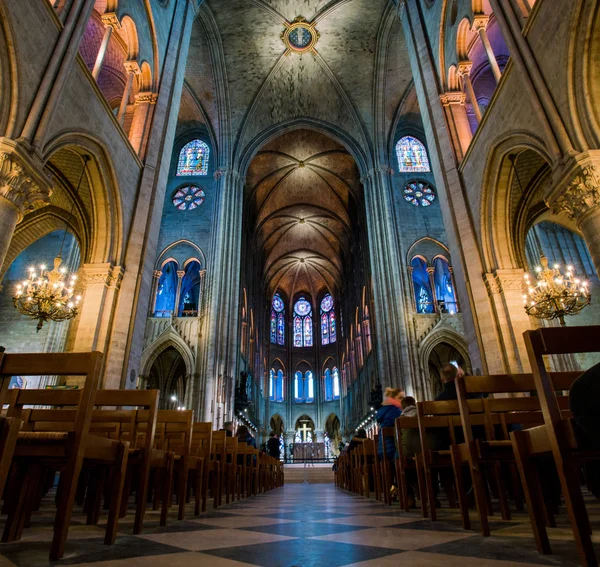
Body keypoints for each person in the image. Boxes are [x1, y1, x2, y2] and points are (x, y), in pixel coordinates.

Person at [376, 387, 404, 460]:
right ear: (393, 398)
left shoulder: (386, 411)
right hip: (392, 449)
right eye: (400, 397)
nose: (403, 400)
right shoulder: (394, 411)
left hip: (383, 449)